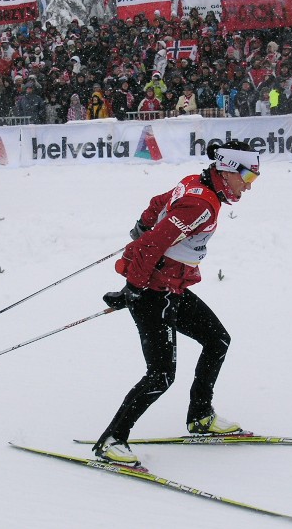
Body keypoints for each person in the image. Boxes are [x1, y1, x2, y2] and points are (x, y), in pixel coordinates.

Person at [93, 140, 260, 465]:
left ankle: (200, 415)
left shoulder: (194, 184)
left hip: (172, 288)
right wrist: (134, 289)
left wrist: (145, 220)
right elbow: (146, 247)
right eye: (248, 178)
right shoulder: (203, 205)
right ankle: (112, 440)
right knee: (161, 375)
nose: (249, 187)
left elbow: (159, 202)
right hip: (153, 292)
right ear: (228, 170)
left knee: (217, 340)